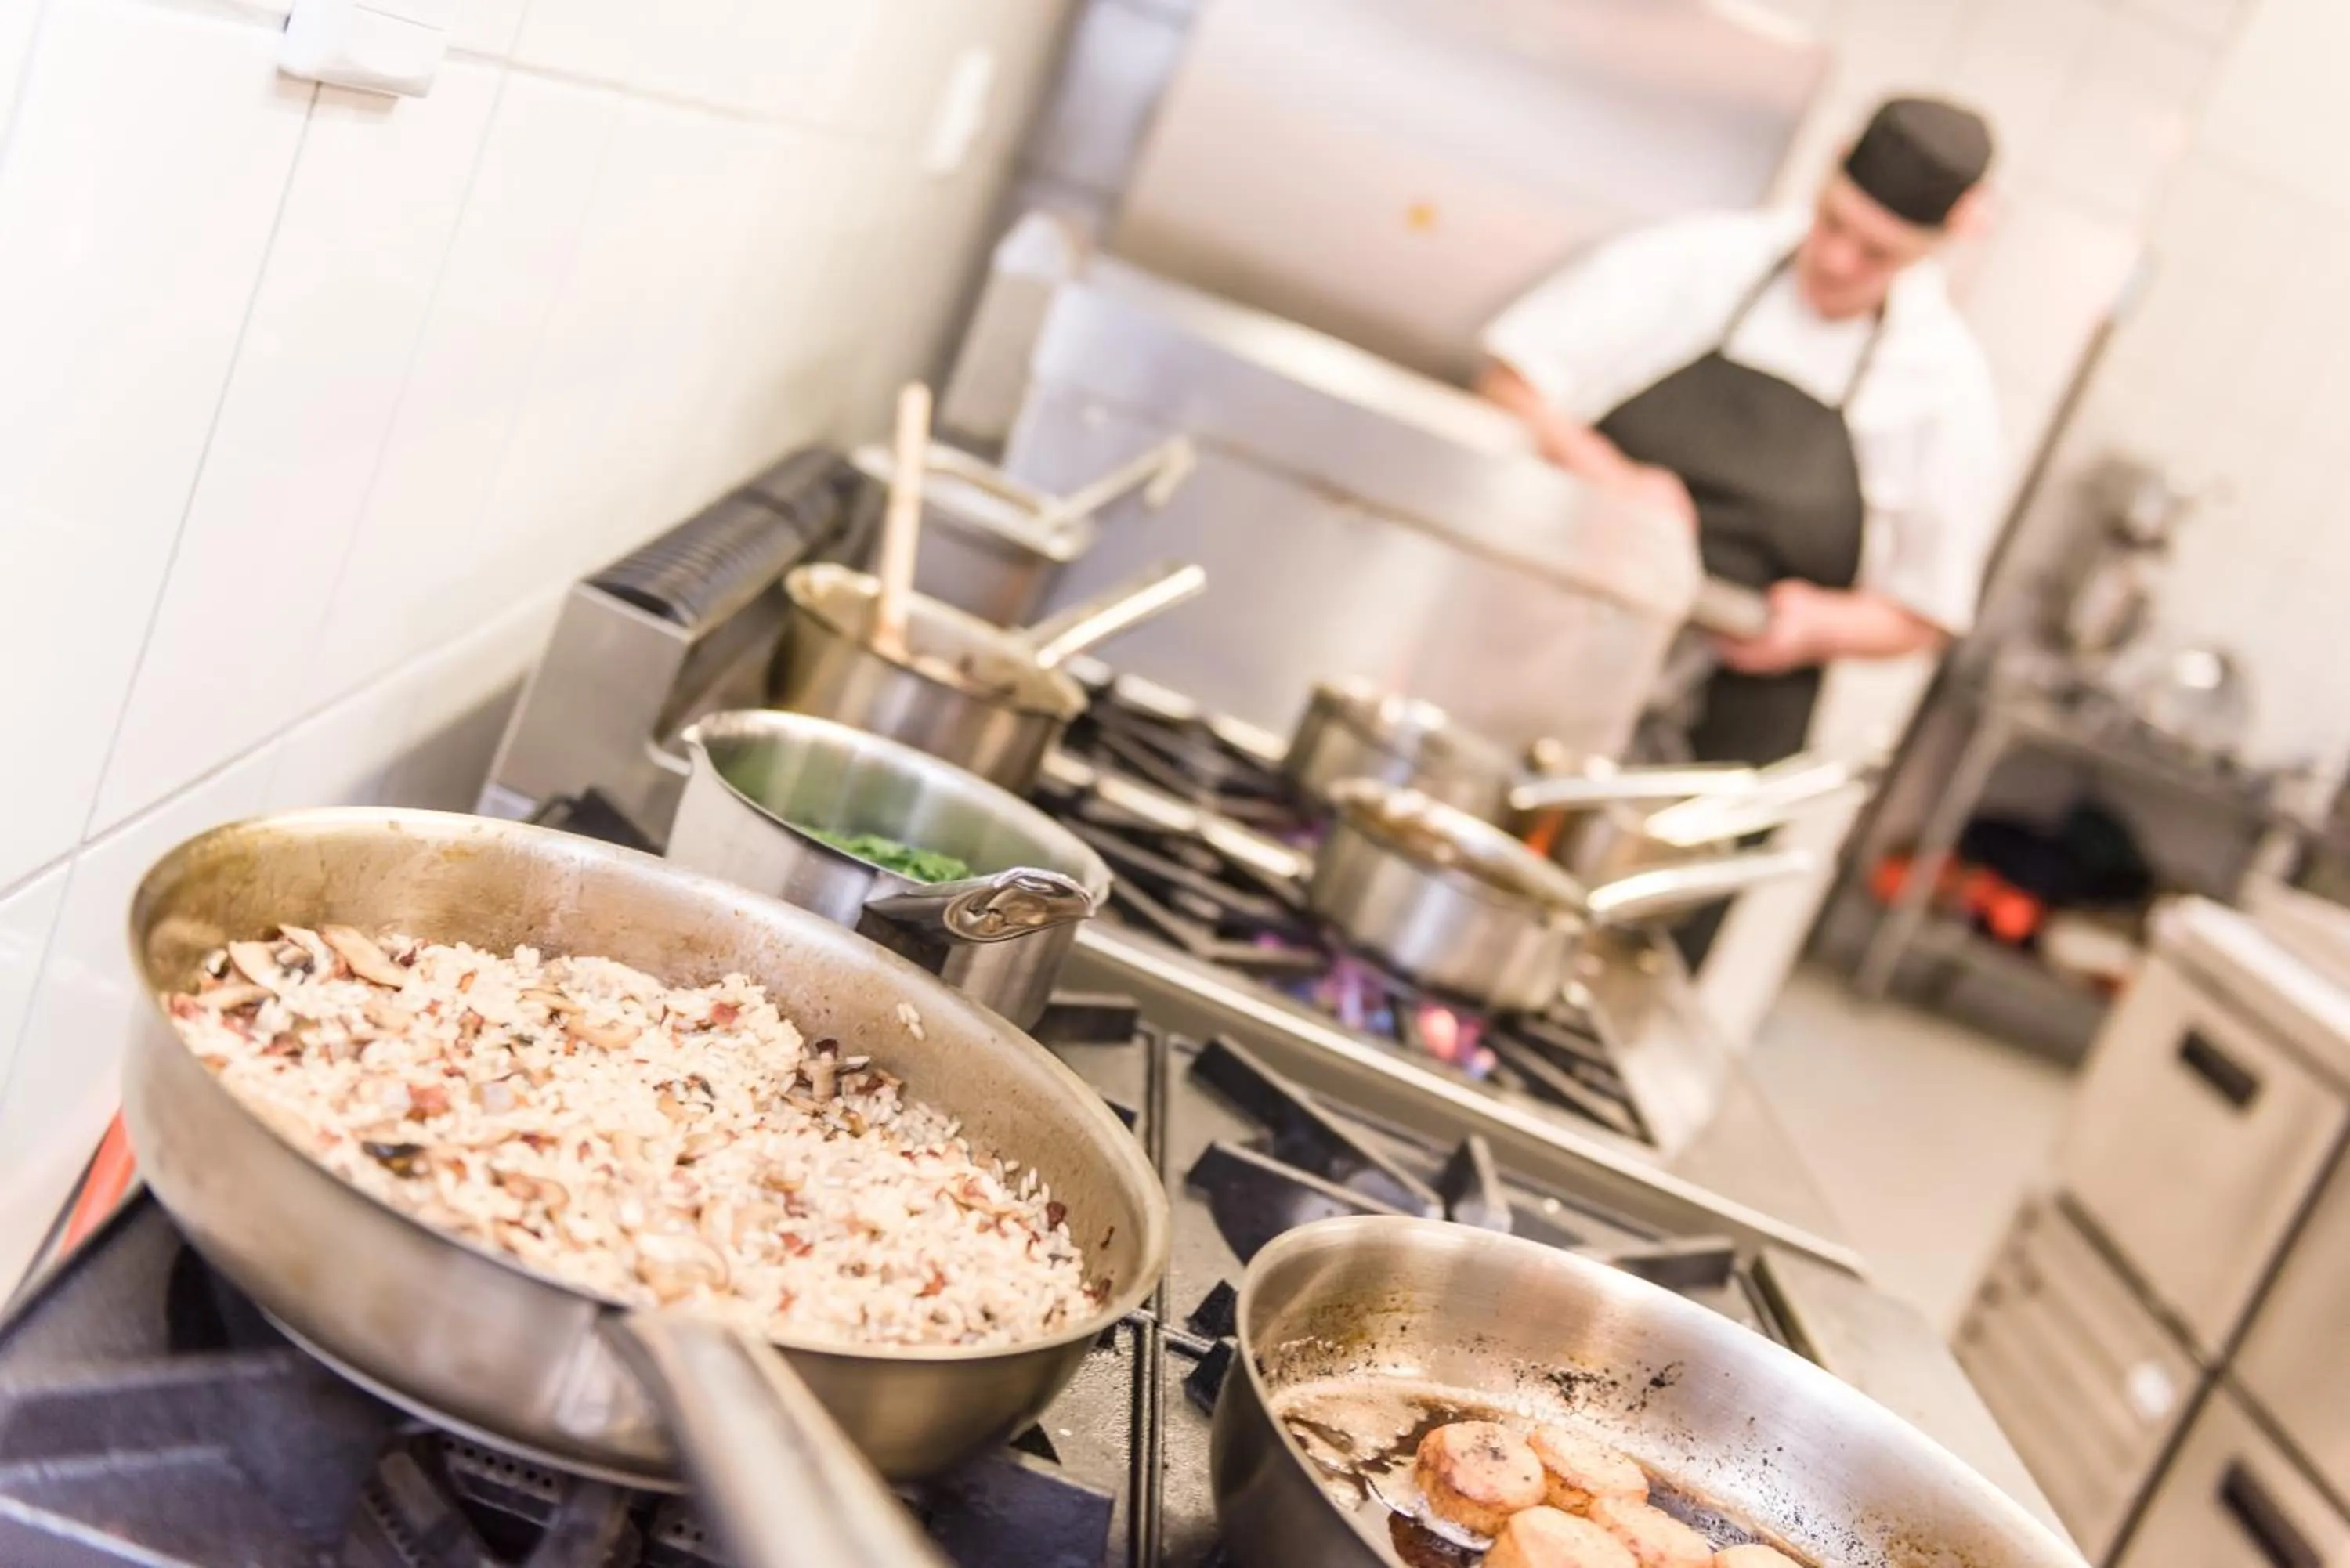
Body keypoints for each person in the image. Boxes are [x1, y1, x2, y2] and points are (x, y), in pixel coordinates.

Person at [1477, 96, 2003, 774]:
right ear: (1834, 160)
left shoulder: (1946, 387)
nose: (1839, 262)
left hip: (1712, 752)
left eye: (1877, 253)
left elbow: (1925, 614)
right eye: (1832, 223)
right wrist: (1614, 481)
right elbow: (1510, 378)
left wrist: (1819, 626)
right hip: (1542, 665)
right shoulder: (1700, 259)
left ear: (1951, 235)